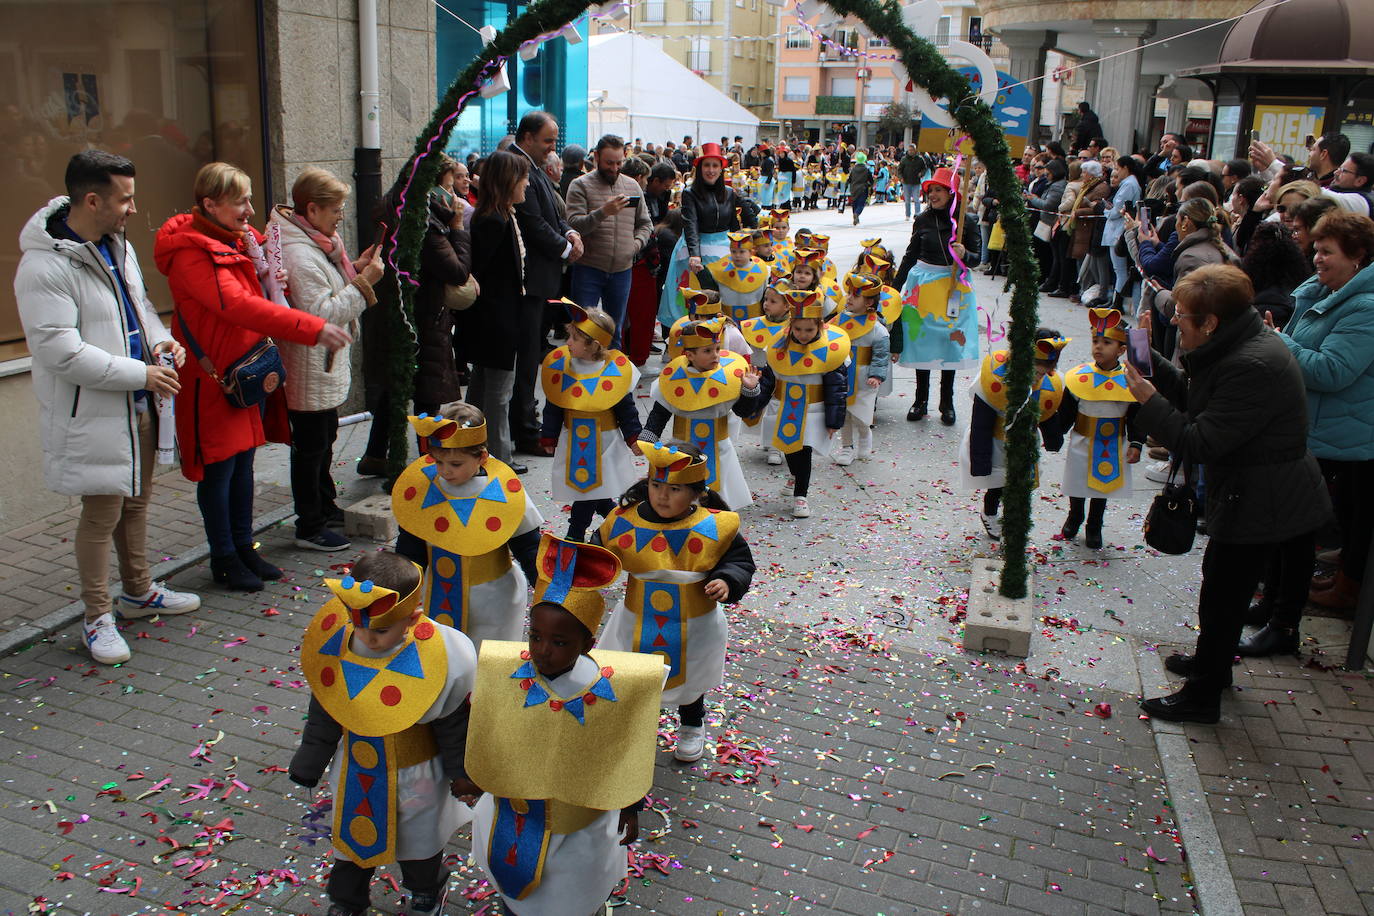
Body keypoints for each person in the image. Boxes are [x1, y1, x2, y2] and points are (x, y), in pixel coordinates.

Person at [15, 150, 201, 664]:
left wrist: (162, 343)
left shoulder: (115, 245)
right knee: (101, 515)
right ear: (92, 199)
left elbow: (139, 312)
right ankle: (97, 617)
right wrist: (142, 373)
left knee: (136, 502)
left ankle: (138, 593)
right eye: (125, 198)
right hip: (95, 412)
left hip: (136, 402)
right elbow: (59, 351)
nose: (133, 209)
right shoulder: (46, 265)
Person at [1127, 265, 1330, 723]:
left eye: (1181, 315)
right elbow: (1197, 399)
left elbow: (1199, 440)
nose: (1174, 321)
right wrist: (1145, 355)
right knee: (1221, 591)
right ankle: (1210, 669)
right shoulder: (1235, 345)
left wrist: (1146, 399)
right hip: (1251, 490)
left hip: (1263, 496)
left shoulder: (1251, 363)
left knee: (1224, 596)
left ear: (1211, 321)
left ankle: (1203, 695)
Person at [156, 162, 349, 592]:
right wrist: (312, 327)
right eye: (239, 201)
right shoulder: (193, 252)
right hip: (215, 382)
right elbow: (238, 306)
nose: (249, 209)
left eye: (249, 198)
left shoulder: (239, 241)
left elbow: (251, 298)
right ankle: (224, 557)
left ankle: (243, 549)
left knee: (242, 466)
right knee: (219, 473)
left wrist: (268, 280)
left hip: (244, 375)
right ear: (210, 204)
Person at [465, 534, 664, 916]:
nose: (542, 649)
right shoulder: (501, 671)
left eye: (559, 642)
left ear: (587, 643)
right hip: (512, 816)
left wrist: (631, 804)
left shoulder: (615, 688)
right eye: (535, 636)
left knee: (571, 895)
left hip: (578, 828)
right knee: (514, 897)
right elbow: (485, 728)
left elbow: (626, 750)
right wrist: (471, 771)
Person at [289, 552, 478, 916]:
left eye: (379, 631)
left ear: (411, 619)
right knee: (352, 841)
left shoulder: (442, 658)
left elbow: (453, 723)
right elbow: (327, 709)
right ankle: (347, 901)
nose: (367, 639)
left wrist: (462, 774)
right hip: (357, 770)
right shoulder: (340, 645)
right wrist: (310, 761)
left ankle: (427, 890)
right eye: (359, 627)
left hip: (417, 774)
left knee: (419, 844)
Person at [595, 443, 755, 760]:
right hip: (637, 616)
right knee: (635, 674)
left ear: (696, 492)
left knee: (690, 678)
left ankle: (692, 724)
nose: (662, 496)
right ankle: (634, 726)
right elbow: (599, 552)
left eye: (674, 489)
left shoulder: (716, 525)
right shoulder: (623, 520)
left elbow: (739, 561)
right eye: (656, 486)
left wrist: (726, 579)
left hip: (695, 622)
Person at [1264, 211, 1374, 615]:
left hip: (1345, 438)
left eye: (1327, 252)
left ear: (1357, 256)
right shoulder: (1326, 292)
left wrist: (1279, 343)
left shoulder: (1365, 307)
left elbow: (1332, 371)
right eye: (1316, 250)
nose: (1317, 259)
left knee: (1318, 524)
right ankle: (1283, 598)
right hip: (1321, 427)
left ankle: (1325, 596)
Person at [270, 168, 383, 553]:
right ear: (313, 209)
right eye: (336, 209)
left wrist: (358, 267)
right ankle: (310, 523)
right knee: (311, 446)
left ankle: (324, 504)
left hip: (323, 364)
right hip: (308, 364)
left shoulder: (319, 240)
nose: (341, 217)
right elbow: (321, 312)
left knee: (324, 439)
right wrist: (365, 281)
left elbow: (336, 285)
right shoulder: (300, 253)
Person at [392, 405, 543, 652]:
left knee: (486, 665)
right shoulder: (423, 486)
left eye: (455, 463)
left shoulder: (503, 490)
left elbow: (528, 546)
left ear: (481, 458)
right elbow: (411, 550)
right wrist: (398, 593)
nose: (445, 471)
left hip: (494, 601)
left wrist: (550, 594)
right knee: (443, 660)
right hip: (437, 596)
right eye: (438, 461)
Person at [511, 112, 583, 457]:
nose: (552, 148)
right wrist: (566, 247)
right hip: (530, 280)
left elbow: (553, 214)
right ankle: (525, 431)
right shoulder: (517, 165)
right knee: (525, 361)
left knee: (529, 359)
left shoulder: (534, 167)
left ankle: (526, 425)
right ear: (527, 138)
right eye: (547, 141)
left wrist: (568, 231)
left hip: (541, 279)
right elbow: (533, 222)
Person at [540, 303, 642, 541]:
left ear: (593, 344)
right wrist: (548, 435)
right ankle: (621, 523)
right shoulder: (562, 366)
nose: (568, 343)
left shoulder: (614, 371)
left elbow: (626, 409)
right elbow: (554, 405)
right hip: (574, 440)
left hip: (605, 442)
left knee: (588, 491)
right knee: (589, 489)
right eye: (569, 336)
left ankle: (575, 534)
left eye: (575, 338)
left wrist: (634, 436)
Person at [639, 320, 764, 508]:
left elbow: (744, 412)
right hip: (683, 451)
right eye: (707, 351)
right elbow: (660, 413)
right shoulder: (674, 379)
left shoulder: (730, 377)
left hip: (720, 450)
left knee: (720, 500)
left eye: (717, 349)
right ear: (690, 354)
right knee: (684, 499)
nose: (715, 355)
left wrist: (749, 389)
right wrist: (647, 438)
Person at [892, 167, 982, 426]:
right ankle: (920, 400)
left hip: (954, 288)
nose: (933, 195)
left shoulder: (968, 221)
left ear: (951, 192)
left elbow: (977, 259)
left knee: (949, 344)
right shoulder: (922, 219)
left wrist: (965, 254)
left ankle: (947, 402)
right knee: (922, 342)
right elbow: (911, 255)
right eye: (930, 190)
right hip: (923, 286)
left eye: (939, 190)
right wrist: (894, 288)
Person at [752, 290, 850, 517]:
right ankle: (795, 475)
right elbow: (769, 380)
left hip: (813, 410)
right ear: (790, 326)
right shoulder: (777, 347)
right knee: (789, 448)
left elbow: (837, 388)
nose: (803, 334)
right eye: (798, 329)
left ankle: (801, 496)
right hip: (783, 407)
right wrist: (755, 404)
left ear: (820, 327)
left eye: (809, 330)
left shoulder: (831, 352)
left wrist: (834, 420)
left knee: (804, 450)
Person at [962, 332, 1068, 540]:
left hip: (1026, 442)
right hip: (997, 441)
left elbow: (1047, 414)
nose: (1038, 377)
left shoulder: (1049, 383)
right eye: (1035, 372)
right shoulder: (995, 379)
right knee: (998, 484)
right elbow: (981, 424)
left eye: (1042, 374)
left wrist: (1053, 439)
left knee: (1021, 484)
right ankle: (990, 513)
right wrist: (981, 461)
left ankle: (1014, 519)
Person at [462, 149, 530, 470]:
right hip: (496, 321)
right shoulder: (493, 220)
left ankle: (467, 446)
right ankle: (499, 460)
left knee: (481, 390)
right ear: (508, 181)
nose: (527, 184)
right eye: (523, 178)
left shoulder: (499, 215)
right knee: (497, 394)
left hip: (495, 319)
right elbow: (481, 272)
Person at [1055, 308, 1143, 549]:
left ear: (1122, 349)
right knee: (1078, 480)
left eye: (1107, 342)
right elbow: (1066, 411)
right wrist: (1055, 434)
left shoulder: (1130, 380)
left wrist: (1136, 442)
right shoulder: (1078, 378)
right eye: (1095, 341)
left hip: (1112, 442)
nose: (1098, 347)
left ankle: (1094, 523)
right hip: (1083, 438)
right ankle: (1075, 515)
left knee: (1102, 485)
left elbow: (1136, 414)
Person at [565, 135, 653, 351]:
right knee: (583, 330)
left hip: (622, 270)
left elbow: (646, 224)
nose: (614, 168)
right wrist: (603, 212)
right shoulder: (580, 185)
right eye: (609, 163)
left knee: (615, 332)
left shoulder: (632, 186)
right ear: (596, 157)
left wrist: (634, 246)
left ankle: (614, 382)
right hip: (589, 268)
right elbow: (574, 225)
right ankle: (582, 379)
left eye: (619, 163)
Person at [658, 142, 755, 327]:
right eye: (707, 165)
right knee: (690, 302)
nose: (711, 170)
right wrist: (695, 254)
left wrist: (748, 242)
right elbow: (690, 223)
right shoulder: (689, 193)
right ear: (700, 168)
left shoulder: (729, 193)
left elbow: (736, 223)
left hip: (725, 251)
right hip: (696, 250)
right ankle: (682, 339)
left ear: (721, 168)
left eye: (715, 165)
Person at [830, 273, 891, 466]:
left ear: (869, 302)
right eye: (849, 293)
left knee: (861, 415)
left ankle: (865, 439)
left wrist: (876, 375)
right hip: (842, 377)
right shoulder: (838, 321)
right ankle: (847, 447)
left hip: (863, 379)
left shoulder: (877, 329)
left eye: (855, 296)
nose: (848, 298)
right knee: (845, 414)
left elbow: (881, 356)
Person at [699, 230, 767, 323]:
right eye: (733, 252)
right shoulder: (719, 270)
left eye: (742, 252)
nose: (737, 255)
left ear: (751, 252)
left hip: (754, 321)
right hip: (727, 320)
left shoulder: (765, 270)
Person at [898, 145, 927, 219]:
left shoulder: (920, 159)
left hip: (916, 182)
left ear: (915, 150)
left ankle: (918, 214)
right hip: (906, 182)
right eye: (909, 150)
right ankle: (907, 215)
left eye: (912, 150)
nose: (910, 151)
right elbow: (899, 170)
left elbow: (924, 168)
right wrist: (901, 178)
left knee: (916, 199)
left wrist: (921, 173)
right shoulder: (904, 159)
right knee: (907, 200)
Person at [847, 152, 873, 226]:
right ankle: (857, 214)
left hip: (854, 188)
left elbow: (850, 179)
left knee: (854, 203)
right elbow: (871, 180)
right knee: (861, 203)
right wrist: (870, 185)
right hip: (863, 188)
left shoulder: (853, 169)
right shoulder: (867, 169)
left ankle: (855, 216)